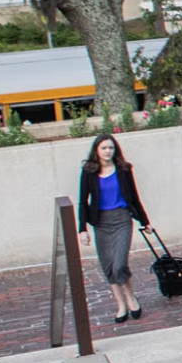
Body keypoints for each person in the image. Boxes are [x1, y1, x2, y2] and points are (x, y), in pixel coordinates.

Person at [75, 133, 152, 324]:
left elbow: (134, 196)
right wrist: (82, 228)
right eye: (103, 148)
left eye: (110, 148)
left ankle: (132, 298)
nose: (108, 151)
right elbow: (83, 201)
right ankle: (121, 305)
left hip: (122, 219)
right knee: (108, 266)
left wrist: (145, 221)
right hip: (100, 222)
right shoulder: (89, 171)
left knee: (119, 264)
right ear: (97, 151)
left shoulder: (123, 170)